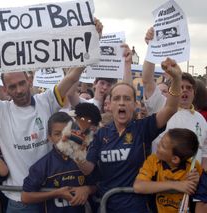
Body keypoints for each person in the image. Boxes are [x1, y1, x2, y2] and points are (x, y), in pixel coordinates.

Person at [0, 18, 103, 212]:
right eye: (12, 87)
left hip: (53, 194)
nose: (19, 90)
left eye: (22, 83)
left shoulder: (46, 100)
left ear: (29, 80)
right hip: (19, 199)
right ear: (6, 90)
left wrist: (92, 41)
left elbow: (73, 76)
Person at [77, 57, 182, 212]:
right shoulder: (100, 134)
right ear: (110, 104)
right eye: (117, 99)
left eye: (127, 99)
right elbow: (88, 169)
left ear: (134, 105)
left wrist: (177, 79)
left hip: (137, 207)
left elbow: (170, 108)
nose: (121, 103)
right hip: (107, 207)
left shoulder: (143, 128)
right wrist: (75, 153)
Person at [142, 27, 207, 170]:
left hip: (192, 187)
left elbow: (204, 154)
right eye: (181, 87)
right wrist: (151, 49)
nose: (184, 90)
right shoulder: (162, 107)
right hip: (163, 183)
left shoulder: (201, 119)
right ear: (173, 90)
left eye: (188, 88)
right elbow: (147, 81)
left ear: (194, 93)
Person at [21, 112, 96, 212]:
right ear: (50, 137)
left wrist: (87, 189)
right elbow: (25, 197)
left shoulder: (85, 159)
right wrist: (56, 193)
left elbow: (100, 184)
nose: (63, 138)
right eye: (57, 134)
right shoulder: (42, 166)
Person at [133, 128, 202, 213]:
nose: (158, 145)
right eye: (160, 141)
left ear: (175, 159)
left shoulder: (194, 167)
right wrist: (176, 185)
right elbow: (138, 187)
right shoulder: (153, 160)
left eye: (163, 146)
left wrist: (199, 183)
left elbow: (202, 195)